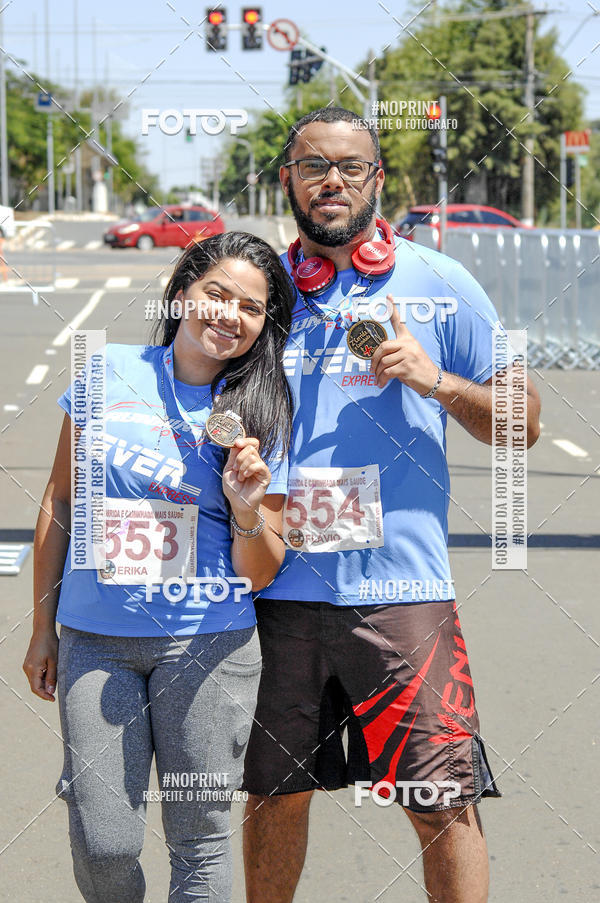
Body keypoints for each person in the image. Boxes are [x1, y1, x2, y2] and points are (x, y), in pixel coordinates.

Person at [241, 107, 541, 903]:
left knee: (442, 801)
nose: (331, 181)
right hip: (274, 590)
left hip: (402, 595)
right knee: (273, 795)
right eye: (314, 166)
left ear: (378, 179)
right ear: (288, 180)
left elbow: (525, 424)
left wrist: (434, 380)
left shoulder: (440, 283)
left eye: (350, 166)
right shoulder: (256, 290)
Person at [22, 231, 294, 903]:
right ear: (181, 294)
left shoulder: (261, 413)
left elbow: (260, 571)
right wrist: (41, 628)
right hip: (97, 639)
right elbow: (61, 500)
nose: (230, 315)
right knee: (104, 841)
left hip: (209, 644)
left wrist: (245, 507)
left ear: (263, 325)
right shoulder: (107, 370)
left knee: (200, 840)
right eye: (216, 294)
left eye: (251, 307)